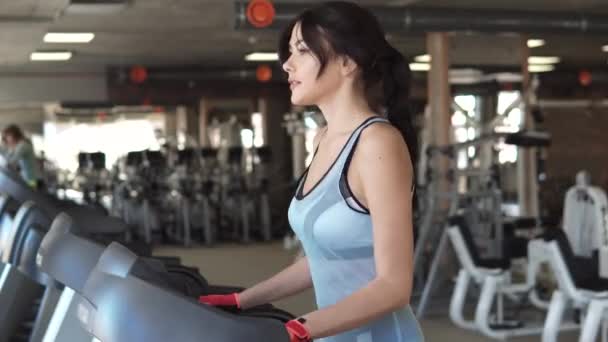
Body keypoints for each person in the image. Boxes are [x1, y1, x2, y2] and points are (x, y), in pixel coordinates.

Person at [199, 2, 424, 341]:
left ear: (348, 62)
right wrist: (243, 301)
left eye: (302, 50)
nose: (287, 64)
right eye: (289, 52)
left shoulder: (377, 143)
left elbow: (394, 287)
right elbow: (323, 260)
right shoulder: (322, 139)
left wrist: (298, 329)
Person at [1, 124, 43, 189]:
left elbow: (11, 161)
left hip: (33, 180)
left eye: (8, 136)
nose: (7, 139)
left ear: (13, 135)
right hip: (29, 179)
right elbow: (9, 156)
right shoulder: (19, 145)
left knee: (30, 197)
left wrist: (1, 150)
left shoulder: (23, 145)